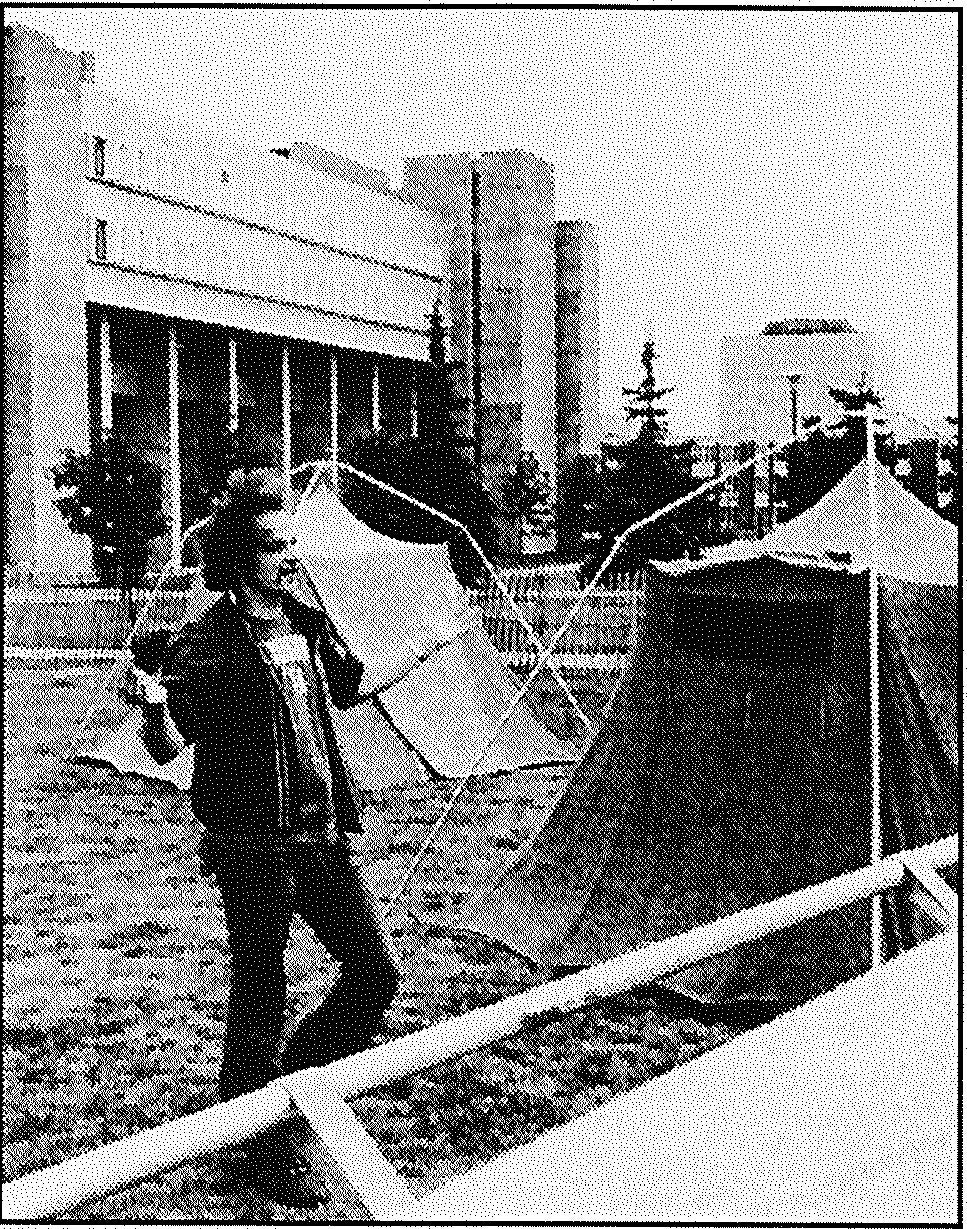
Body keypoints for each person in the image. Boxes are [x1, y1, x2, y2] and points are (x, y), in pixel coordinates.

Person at [122, 467, 424, 1208]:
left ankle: (289, 1088)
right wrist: (155, 705)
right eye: (270, 545)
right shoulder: (210, 638)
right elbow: (165, 744)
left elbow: (350, 684)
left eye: (291, 542)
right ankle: (253, 1139)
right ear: (236, 555)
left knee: (374, 973)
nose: (287, 556)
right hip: (252, 845)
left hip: (322, 837)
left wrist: (424, 644)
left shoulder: (304, 618)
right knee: (261, 986)